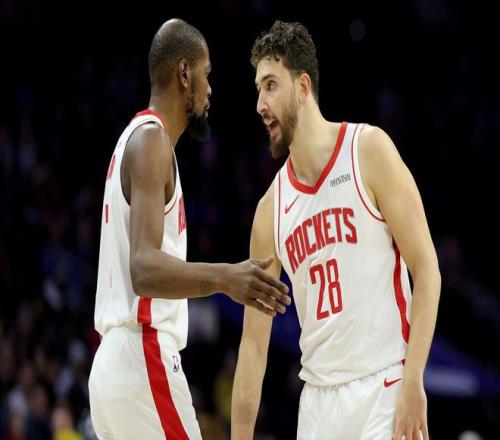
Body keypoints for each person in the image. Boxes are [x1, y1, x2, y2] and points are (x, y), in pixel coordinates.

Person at [231, 20, 441, 440]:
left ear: (302, 87)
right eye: (257, 89)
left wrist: (414, 379)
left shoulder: (368, 151)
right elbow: (253, 346)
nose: (260, 104)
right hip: (318, 406)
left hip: (384, 386)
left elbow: (427, 270)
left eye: (270, 86)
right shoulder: (269, 212)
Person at [88, 18, 290, 440]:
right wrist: (226, 277)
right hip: (142, 354)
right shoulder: (151, 141)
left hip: (112, 368)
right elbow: (143, 269)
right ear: (184, 73)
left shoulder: (135, 140)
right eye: (206, 73)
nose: (210, 89)